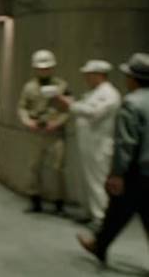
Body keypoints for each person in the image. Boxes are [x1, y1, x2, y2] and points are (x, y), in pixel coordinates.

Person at [77, 53, 149, 263]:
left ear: (133, 79)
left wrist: (117, 172)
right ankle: (99, 245)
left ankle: (99, 245)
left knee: (117, 210)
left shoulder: (132, 103)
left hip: (137, 170)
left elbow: (126, 142)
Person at [55, 60, 120, 229]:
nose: (86, 78)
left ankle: (101, 218)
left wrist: (70, 104)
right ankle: (88, 212)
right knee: (86, 180)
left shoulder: (109, 94)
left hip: (99, 145)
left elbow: (93, 113)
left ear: (98, 75)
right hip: (88, 144)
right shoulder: (94, 92)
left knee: (97, 182)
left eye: (88, 75)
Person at [17, 49, 70, 214]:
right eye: (40, 68)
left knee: (58, 169)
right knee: (33, 167)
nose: (44, 71)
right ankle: (35, 200)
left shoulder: (62, 86)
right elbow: (22, 107)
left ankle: (59, 202)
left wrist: (57, 123)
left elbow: (68, 109)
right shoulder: (29, 87)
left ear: (52, 67)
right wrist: (27, 121)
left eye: (47, 68)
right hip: (36, 131)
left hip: (55, 132)